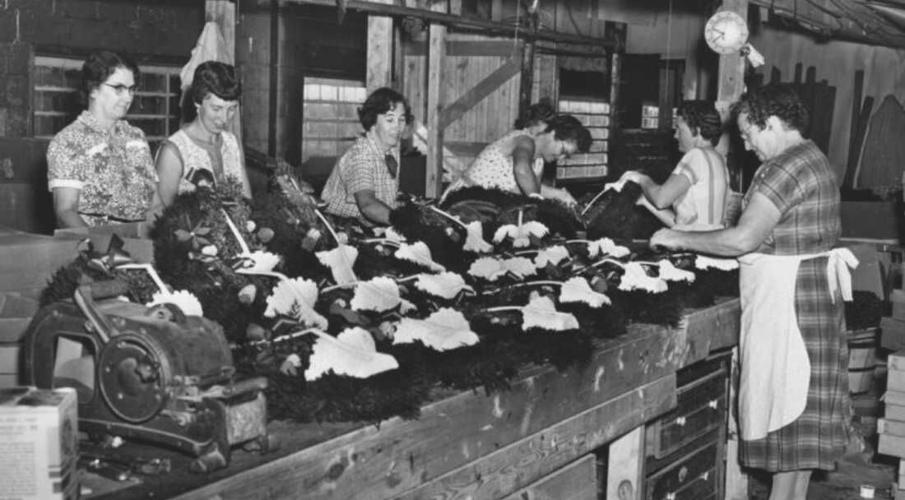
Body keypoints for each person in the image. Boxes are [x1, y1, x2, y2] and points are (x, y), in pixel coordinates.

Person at [650, 84, 856, 500]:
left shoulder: (783, 167)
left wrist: (677, 238)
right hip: (811, 298)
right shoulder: (813, 157)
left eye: (748, 134)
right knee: (798, 445)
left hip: (790, 308)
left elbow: (744, 239)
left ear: (775, 124)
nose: (744, 144)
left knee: (786, 418)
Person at [46, 51, 160, 228]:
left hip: (142, 246)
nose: (128, 97)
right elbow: (66, 212)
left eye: (131, 89)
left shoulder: (137, 138)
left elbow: (156, 205)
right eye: (118, 89)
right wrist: (99, 249)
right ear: (93, 89)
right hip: (94, 248)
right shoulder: (68, 141)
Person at [155, 61, 251, 206]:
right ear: (197, 103)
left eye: (232, 109)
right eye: (216, 108)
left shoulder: (232, 143)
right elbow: (162, 219)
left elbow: (247, 203)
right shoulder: (173, 152)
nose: (225, 118)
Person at [620, 100, 729, 229]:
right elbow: (685, 227)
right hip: (706, 243)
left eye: (679, 129)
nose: (676, 135)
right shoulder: (717, 158)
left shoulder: (697, 155)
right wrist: (645, 201)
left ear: (698, 131)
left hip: (697, 247)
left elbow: (661, 200)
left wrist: (641, 178)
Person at [442, 113, 592, 201]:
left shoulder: (538, 161)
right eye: (563, 151)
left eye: (566, 157)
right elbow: (521, 170)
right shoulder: (524, 140)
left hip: (484, 205)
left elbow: (527, 187)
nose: (560, 158)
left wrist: (560, 195)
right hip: (462, 201)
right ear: (553, 134)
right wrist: (537, 203)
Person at [321, 87, 413, 225]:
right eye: (390, 120)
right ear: (372, 121)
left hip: (372, 224)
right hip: (341, 227)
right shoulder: (360, 155)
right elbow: (367, 205)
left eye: (401, 120)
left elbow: (386, 197)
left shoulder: (391, 148)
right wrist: (404, 224)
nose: (397, 127)